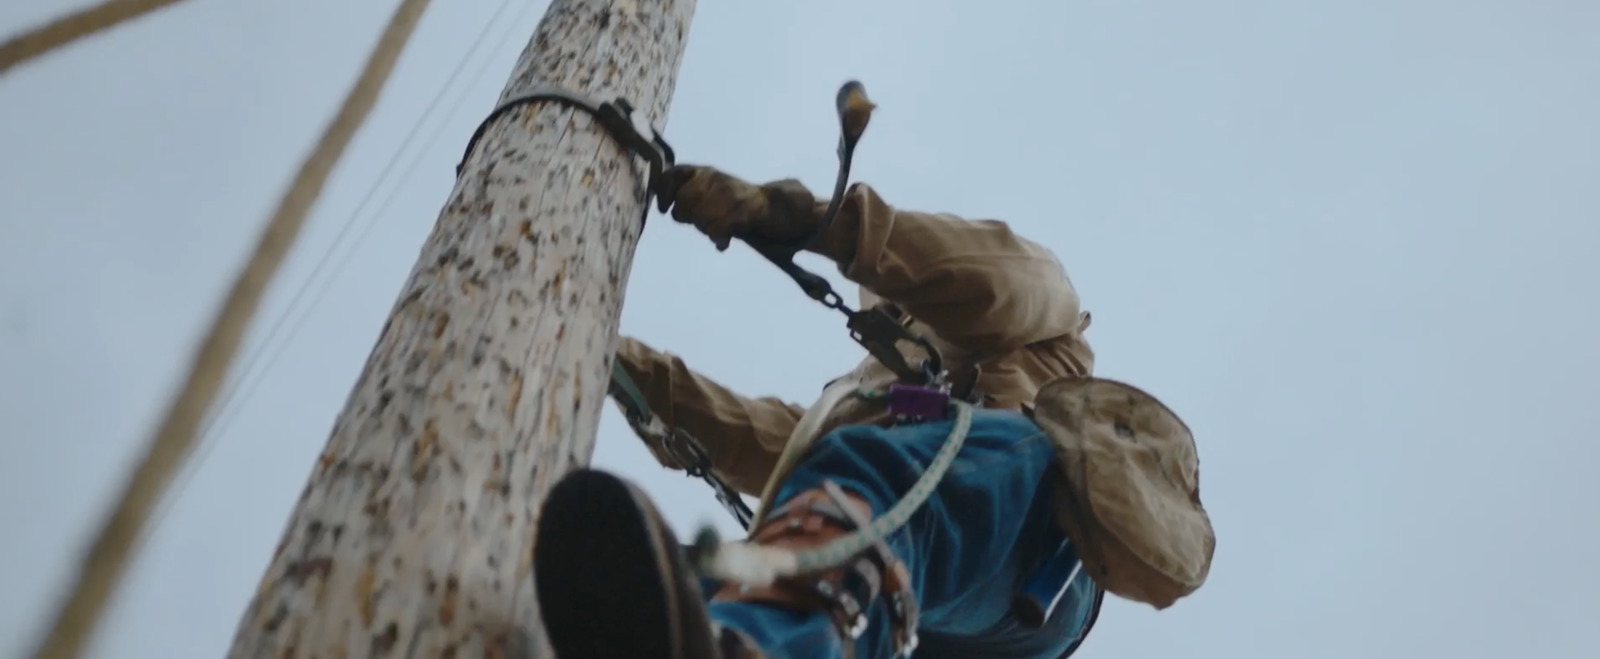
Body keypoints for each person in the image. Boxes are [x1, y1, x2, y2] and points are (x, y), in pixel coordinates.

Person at [532, 165, 1212, 659]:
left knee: (854, 497)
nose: (889, 311)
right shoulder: (871, 407)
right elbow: (759, 440)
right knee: (697, 580)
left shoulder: (1045, 325)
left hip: (1037, 540)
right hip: (949, 617)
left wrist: (793, 216)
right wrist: (606, 358)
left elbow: (982, 277)